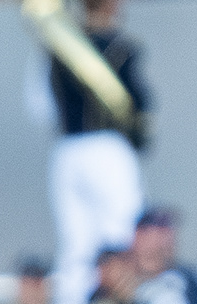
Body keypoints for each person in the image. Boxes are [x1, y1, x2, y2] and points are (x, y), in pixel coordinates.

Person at [37, 0, 150, 277]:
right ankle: (118, 299)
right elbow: (140, 104)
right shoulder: (121, 48)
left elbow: (40, 107)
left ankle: (74, 302)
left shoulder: (58, 47)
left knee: (75, 243)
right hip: (108, 148)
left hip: (66, 149)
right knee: (121, 232)